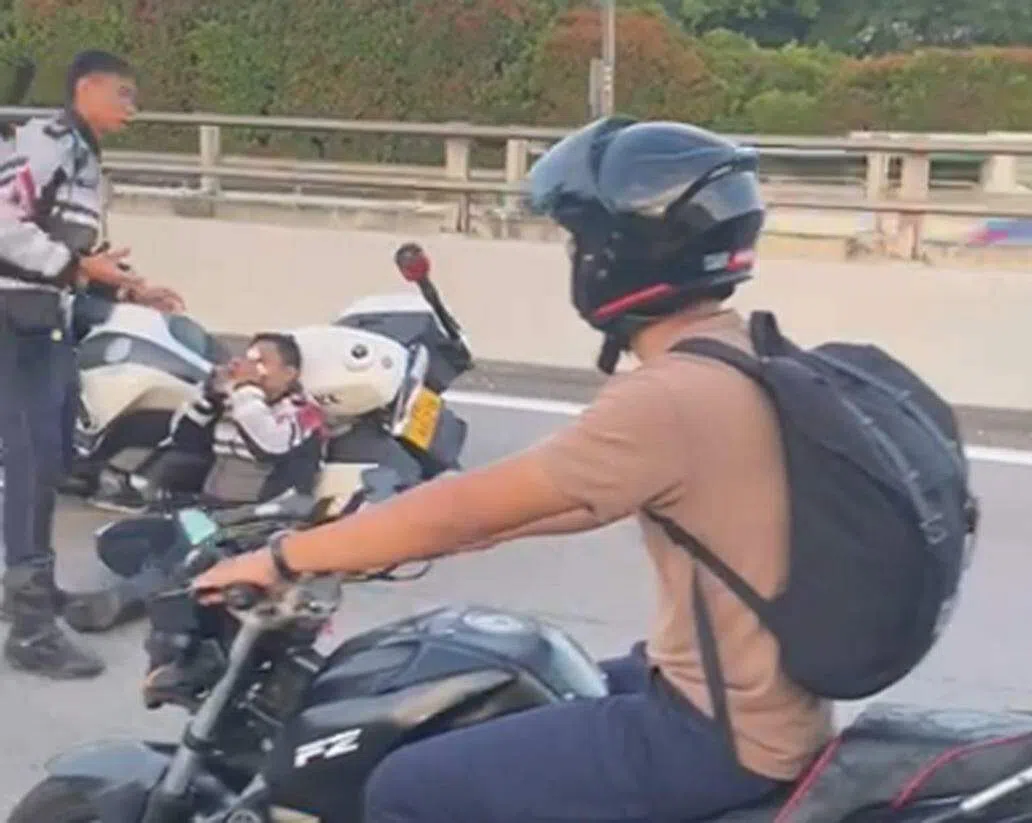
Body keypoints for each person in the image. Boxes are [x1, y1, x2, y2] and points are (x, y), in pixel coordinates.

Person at [193, 116, 835, 823]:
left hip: (717, 734)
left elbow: (470, 510)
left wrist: (284, 557)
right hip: (744, 696)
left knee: (406, 786)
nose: (575, 258)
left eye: (579, 242)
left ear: (618, 254)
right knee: (497, 690)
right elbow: (554, 501)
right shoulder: (744, 354)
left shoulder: (671, 397)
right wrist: (395, 533)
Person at [0, 50, 183, 679]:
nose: (133, 108)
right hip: (12, 319)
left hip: (44, 319)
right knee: (30, 464)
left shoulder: (82, 156)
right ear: (87, 88)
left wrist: (128, 287)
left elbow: (72, 252)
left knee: (51, 461)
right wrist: (79, 267)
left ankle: (29, 589)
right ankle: (29, 629)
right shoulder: (47, 144)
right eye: (123, 94)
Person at [61, 332, 326, 633]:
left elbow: (269, 445)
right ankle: (193, 583)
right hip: (210, 513)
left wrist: (245, 391)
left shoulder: (305, 412)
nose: (250, 367)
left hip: (259, 523)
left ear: (289, 373)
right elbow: (183, 438)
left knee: (189, 546)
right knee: (116, 540)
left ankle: (128, 598)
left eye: (262, 362)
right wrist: (209, 398)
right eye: (248, 358)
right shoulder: (240, 401)